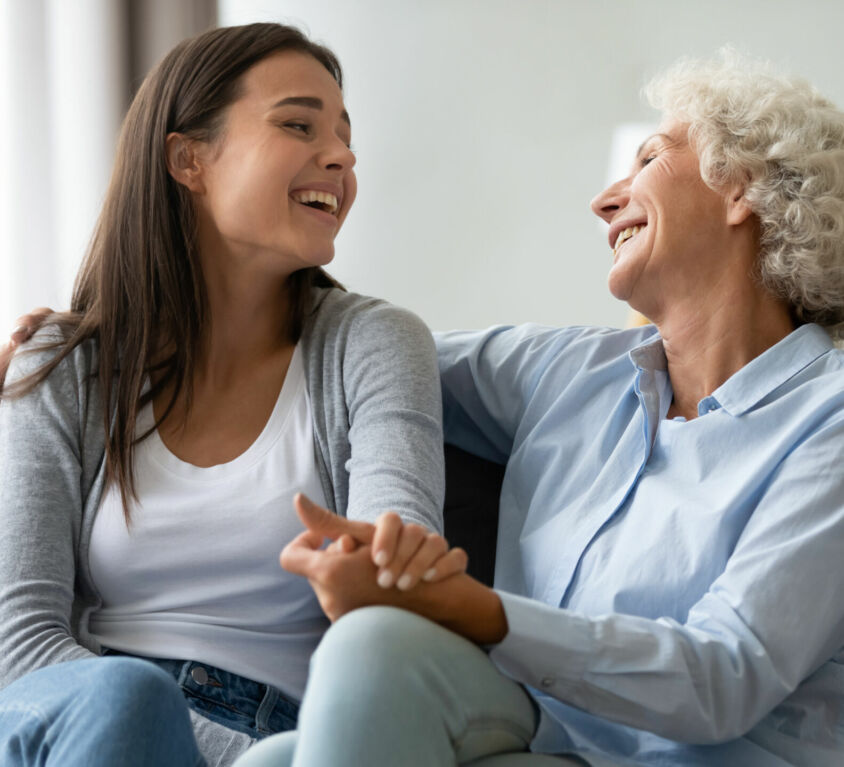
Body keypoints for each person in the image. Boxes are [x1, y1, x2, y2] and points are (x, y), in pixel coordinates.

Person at [235, 50, 844, 767]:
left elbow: (723, 676)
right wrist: (104, 331)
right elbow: (366, 353)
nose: (605, 200)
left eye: (650, 159)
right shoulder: (568, 372)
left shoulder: (828, 418)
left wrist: (468, 607)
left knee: (376, 645)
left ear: (740, 188)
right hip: (537, 740)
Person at [0, 22, 464, 767]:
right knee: (128, 699)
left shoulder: (374, 346)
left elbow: (393, 607)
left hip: (276, 739)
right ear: (190, 160)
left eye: (346, 137)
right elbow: (17, 646)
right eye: (297, 124)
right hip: (81, 716)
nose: (341, 157)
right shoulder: (62, 367)